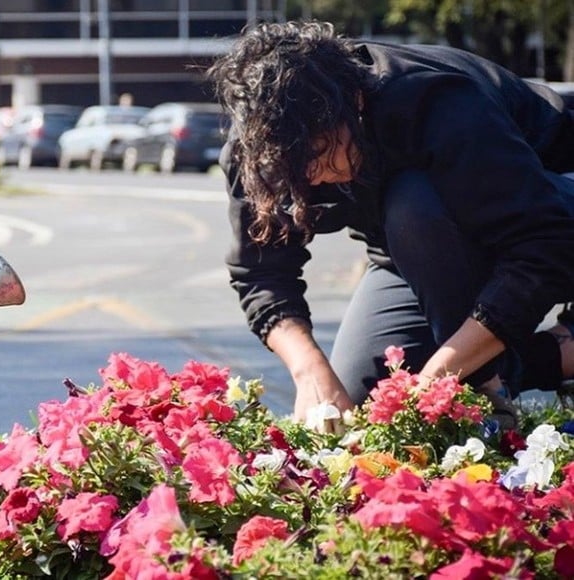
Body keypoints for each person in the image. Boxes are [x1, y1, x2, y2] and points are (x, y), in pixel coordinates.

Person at [207, 20, 574, 426]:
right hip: (417, 249)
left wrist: (438, 380)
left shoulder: (432, 100)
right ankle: (547, 359)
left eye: (314, 153)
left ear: (355, 104)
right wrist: (310, 371)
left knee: (411, 201)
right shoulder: (263, 148)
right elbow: (260, 272)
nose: (307, 175)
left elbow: (543, 245)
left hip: (551, 208)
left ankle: (490, 388)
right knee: (364, 401)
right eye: (291, 163)